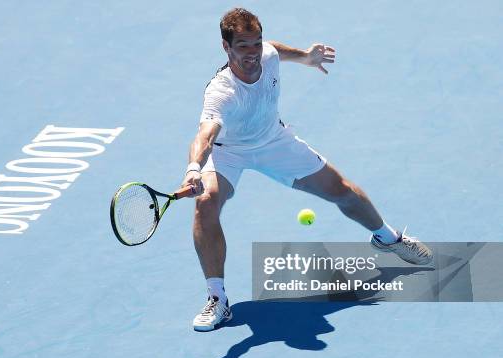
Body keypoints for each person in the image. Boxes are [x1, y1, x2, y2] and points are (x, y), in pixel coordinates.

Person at [181, 8, 432, 332]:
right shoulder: (221, 93)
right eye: (242, 46)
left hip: (274, 141)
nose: (252, 53)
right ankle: (218, 299)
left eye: (255, 43)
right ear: (226, 47)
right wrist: (193, 170)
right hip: (229, 153)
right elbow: (205, 134)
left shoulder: (266, 54)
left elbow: (274, 48)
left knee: (342, 190)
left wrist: (304, 57)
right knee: (205, 205)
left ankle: (388, 238)